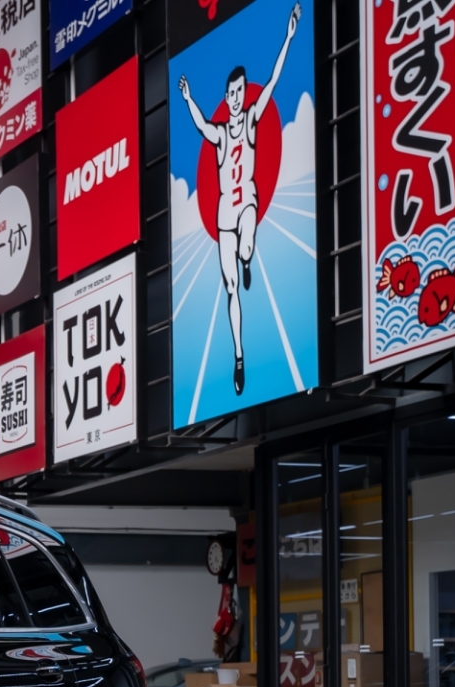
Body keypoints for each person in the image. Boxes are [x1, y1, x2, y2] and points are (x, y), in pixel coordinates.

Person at [178, 1, 299, 396]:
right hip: (223, 214)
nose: (234, 98)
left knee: (247, 244)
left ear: (244, 93)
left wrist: (288, 37)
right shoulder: (218, 133)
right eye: (230, 93)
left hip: (247, 199)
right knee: (231, 288)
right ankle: (240, 356)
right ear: (225, 95)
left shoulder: (249, 121)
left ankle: (248, 257)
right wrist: (188, 98)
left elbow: (274, 81)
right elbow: (200, 124)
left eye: (239, 92)